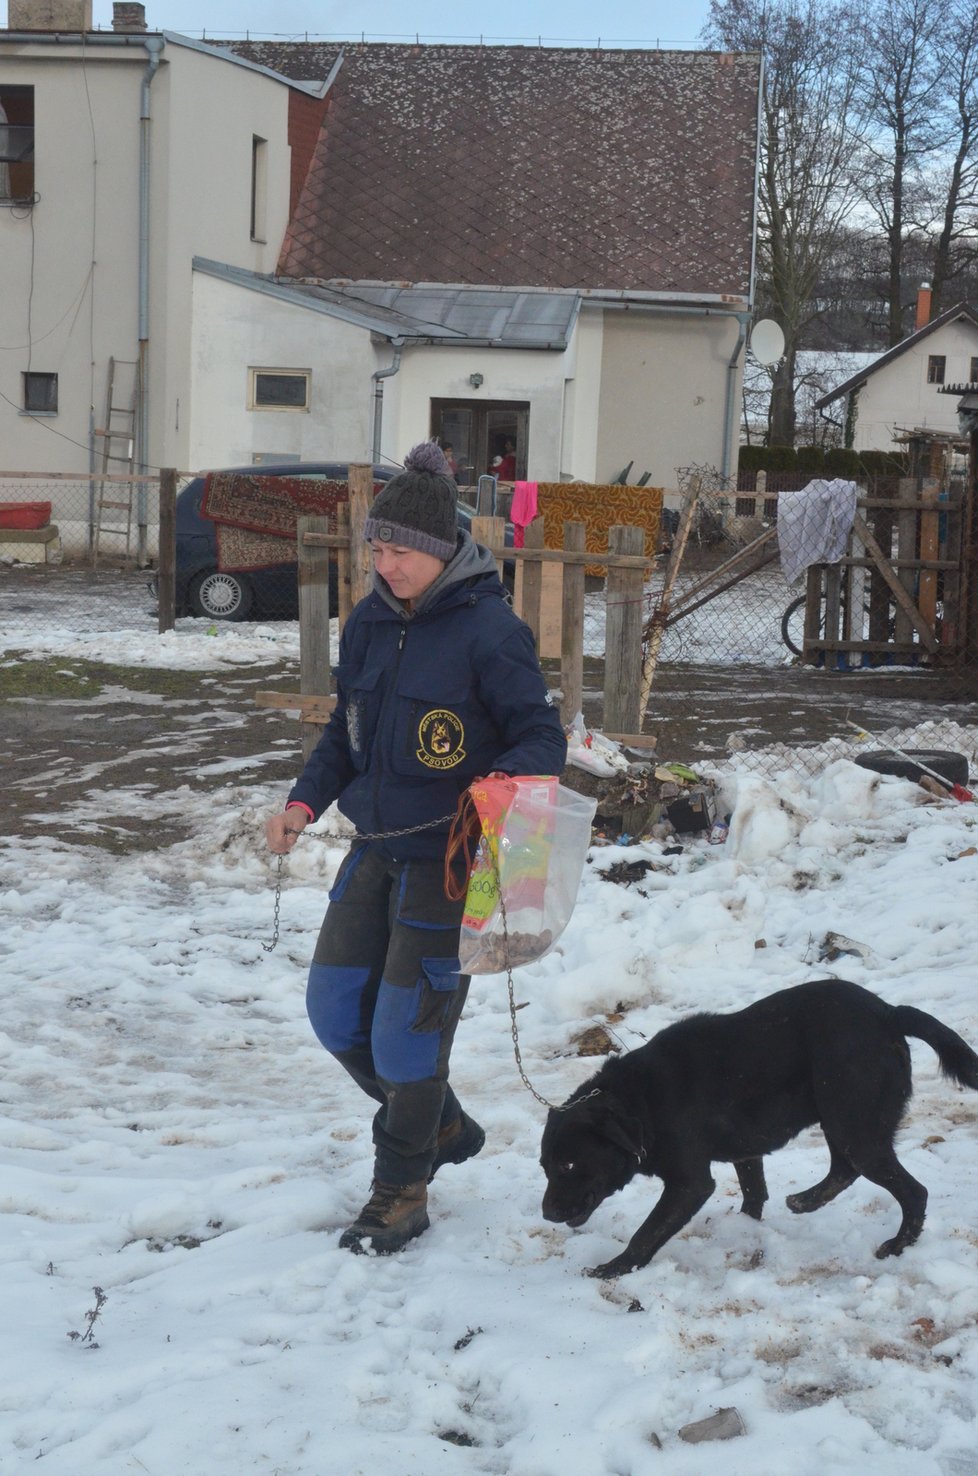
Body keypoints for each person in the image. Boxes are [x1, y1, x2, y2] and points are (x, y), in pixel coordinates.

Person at [265, 441, 566, 1255]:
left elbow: (542, 736)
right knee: (334, 1014)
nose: (381, 562)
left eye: (396, 551)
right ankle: (434, 1120)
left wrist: (495, 788)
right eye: (376, 546)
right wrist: (303, 799)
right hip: (376, 845)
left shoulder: (490, 633)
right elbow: (345, 730)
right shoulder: (367, 621)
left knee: (406, 1038)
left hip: (451, 861)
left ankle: (401, 1191)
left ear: (437, 554)